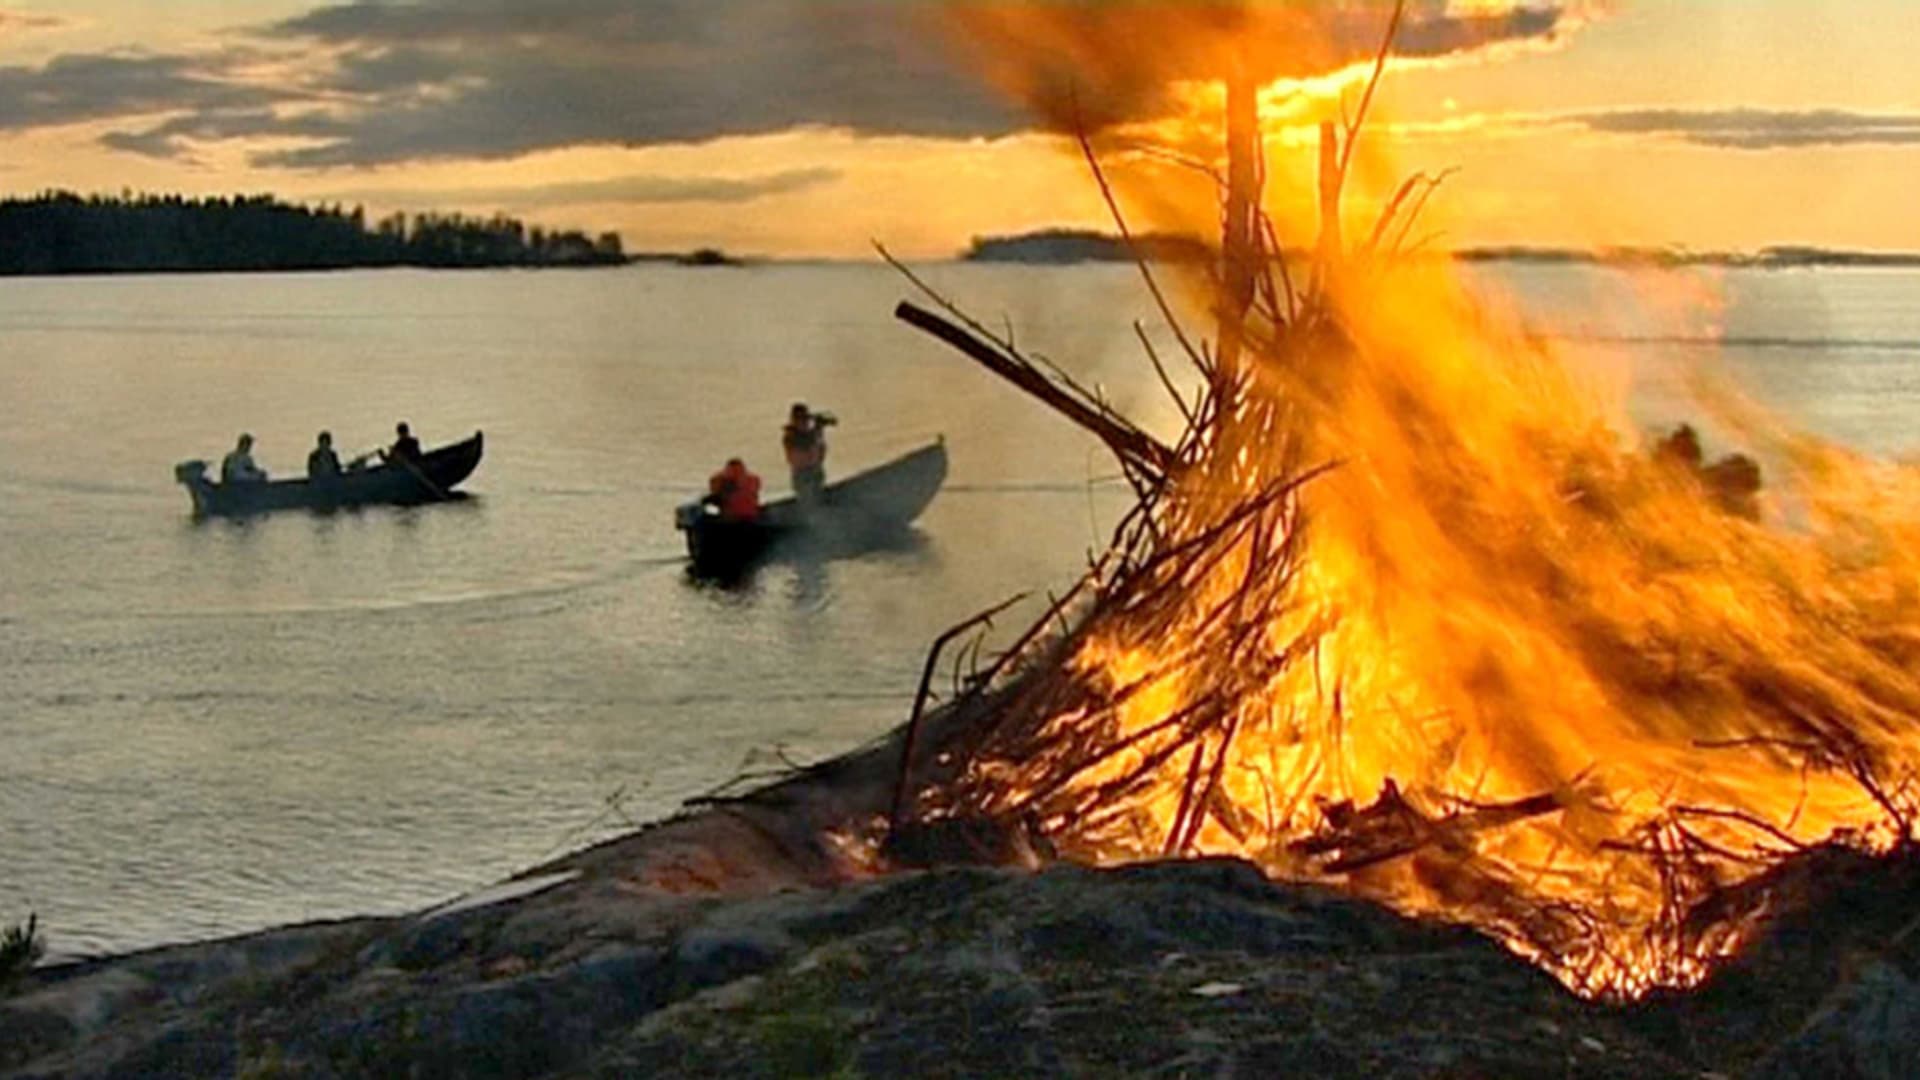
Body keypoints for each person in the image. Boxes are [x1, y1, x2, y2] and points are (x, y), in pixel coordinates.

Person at [781, 402, 835, 504]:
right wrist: (817, 430)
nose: (805, 422)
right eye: (801, 419)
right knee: (808, 502)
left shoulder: (810, 434)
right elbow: (805, 452)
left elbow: (819, 456)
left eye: (805, 419)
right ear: (794, 420)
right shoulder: (791, 436)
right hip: (803, 478)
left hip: (815, 476)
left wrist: (819, 432)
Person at [706, 457, 763, 522]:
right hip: (751, 516)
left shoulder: (719, 479)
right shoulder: (754, 479)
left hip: (730, 517)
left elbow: (714, 491)